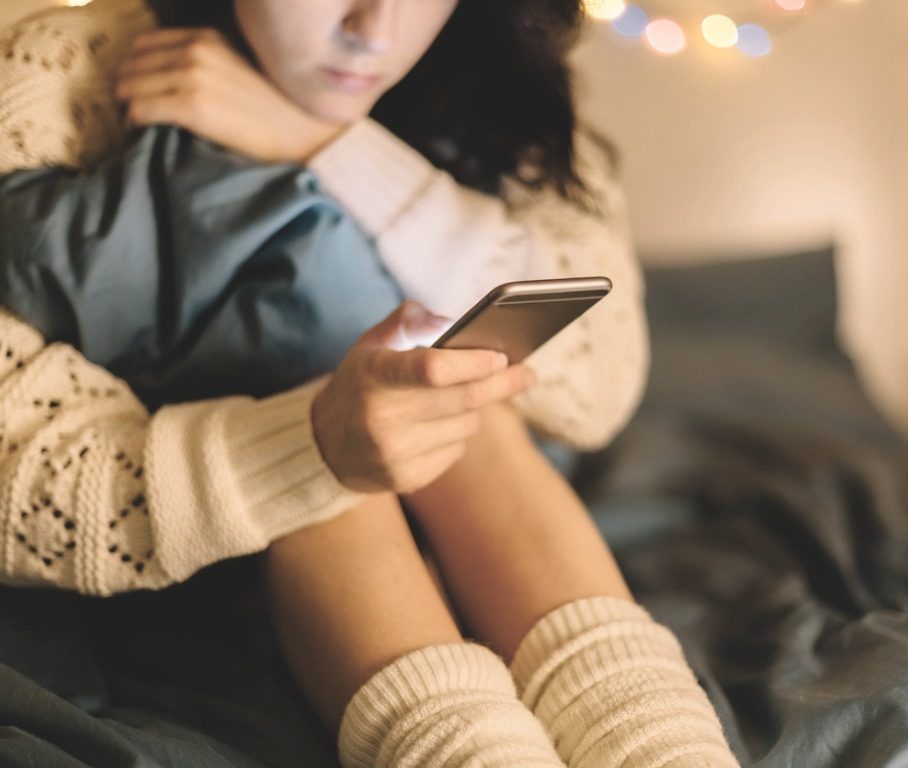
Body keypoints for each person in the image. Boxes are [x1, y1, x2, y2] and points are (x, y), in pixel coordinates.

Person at [0, 1, 740, 766]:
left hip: (479, 484)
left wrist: (331, 145)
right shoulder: (59, 72)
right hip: (212, 526)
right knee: (336, 404)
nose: (374, 30)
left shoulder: (506, 65)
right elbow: (16, 468)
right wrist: (312, 443)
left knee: (459, 390)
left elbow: (599, 383)